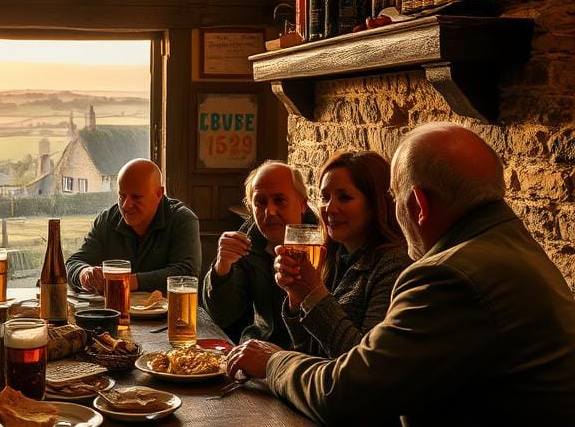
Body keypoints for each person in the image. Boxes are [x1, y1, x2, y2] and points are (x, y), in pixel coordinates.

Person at [229, 123, 575, 427]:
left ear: (419, 204)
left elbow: (349, 391)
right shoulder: (513, 248)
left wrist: (273, 363)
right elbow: (431, 386)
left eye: (394, 199)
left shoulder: (447, 275)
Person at [274, 150, 410, 358]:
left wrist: (313, 292)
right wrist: (296, 297)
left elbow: (364, 362)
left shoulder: (394, 264)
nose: (329, 208)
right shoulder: (336, 257)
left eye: (344, 198)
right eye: (324, 197)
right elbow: (307, 350)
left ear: (376, 204)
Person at [201, 161, 316, 345]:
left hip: (307, 360)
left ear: (302, 204)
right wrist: (222, 268)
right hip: (257, 346)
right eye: (260, 202)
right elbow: (223, 316)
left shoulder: (322, 243)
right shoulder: (248, 239)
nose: (269, 211)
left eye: (279, 200)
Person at [66, 158, 201, 293]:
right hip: (114, 312)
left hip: (169, 312)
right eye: (122, 196)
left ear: (158, 194)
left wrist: (126, 281)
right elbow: (72, 263)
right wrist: (84, 274)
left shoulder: (182, 220)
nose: (126, 205)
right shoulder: (107, 220)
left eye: (136, 197)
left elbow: (187, 273)